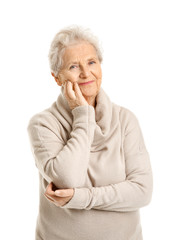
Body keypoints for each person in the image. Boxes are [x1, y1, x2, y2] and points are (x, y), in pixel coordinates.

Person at [27, 25, 153, 240]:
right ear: (57, 78)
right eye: (74, 66)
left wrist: (79, 197)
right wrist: (83, 115)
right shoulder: (43, 124)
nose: (86, 73)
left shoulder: (125, 120)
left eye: (91, 62)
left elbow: (142, 192)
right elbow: (68, 179)